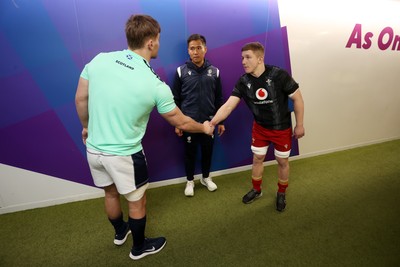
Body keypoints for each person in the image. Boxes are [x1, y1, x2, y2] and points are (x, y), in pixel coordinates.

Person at [75, 14, 214, 261]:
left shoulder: (99, 60)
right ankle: (139, 247)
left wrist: (86, 128)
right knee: (137, 201)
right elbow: (180, 121)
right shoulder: (155, 84)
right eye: (158, 39)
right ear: (151, 42)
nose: (158, 44)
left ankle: (120, 233)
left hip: (94, 151)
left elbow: (80, 99)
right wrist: (204, 128)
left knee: (110, 193)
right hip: (125, 155)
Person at [210, 42, 304, 212]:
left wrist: (300, 124)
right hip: (260, 128)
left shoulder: (278, 74)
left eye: (248, 57)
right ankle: (256, 190)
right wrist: (212, 123)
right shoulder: (243, 81)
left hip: (281, 128)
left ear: (260, 59)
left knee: (282, 161)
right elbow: (228, 106)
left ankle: (281, 193)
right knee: (257, 159)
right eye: (242, 58)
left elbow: (298, 99)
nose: (243, 61)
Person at [172, 34, 225, 197]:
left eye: (198, 48)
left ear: (205, 49)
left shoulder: (214, 72)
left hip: (209, 122)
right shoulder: (181, 71)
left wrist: (220, 121)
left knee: (208, 152)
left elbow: (219, 98)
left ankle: (206, 178)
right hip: (188, 123)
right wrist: (177, 123)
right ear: (188, 51)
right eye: (192, 48)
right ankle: (190, 181)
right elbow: (176, 99)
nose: (195, 51)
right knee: (190, 154)